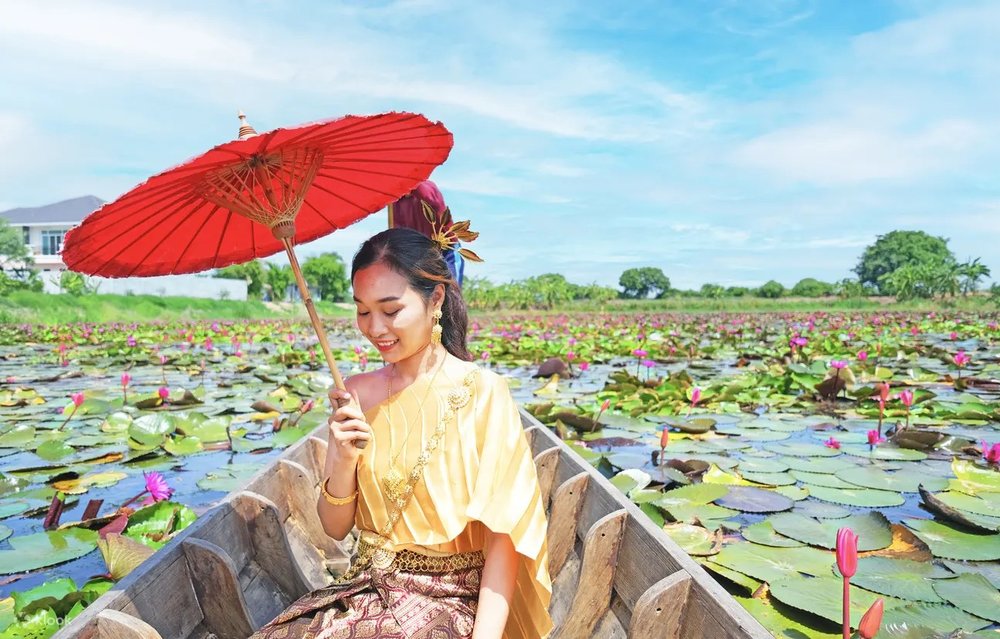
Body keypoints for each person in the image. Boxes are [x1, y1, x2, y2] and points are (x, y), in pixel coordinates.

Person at [251, 227, 552, 639]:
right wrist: (342, 459)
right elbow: (335, 529)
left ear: (437, 299)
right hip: (364, 592)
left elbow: (504, 538)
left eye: (390, 310)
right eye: (362, 311)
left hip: (451, 601)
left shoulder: (483, 393)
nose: (375, 328)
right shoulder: (356, 394)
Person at [388, 180, 481, 287]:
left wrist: (411, 184)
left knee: (451, 293)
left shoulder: (426, 187)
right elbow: (399, 232)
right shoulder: (396, 202)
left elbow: (432, 201)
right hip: (420, 256)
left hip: (446, 250)